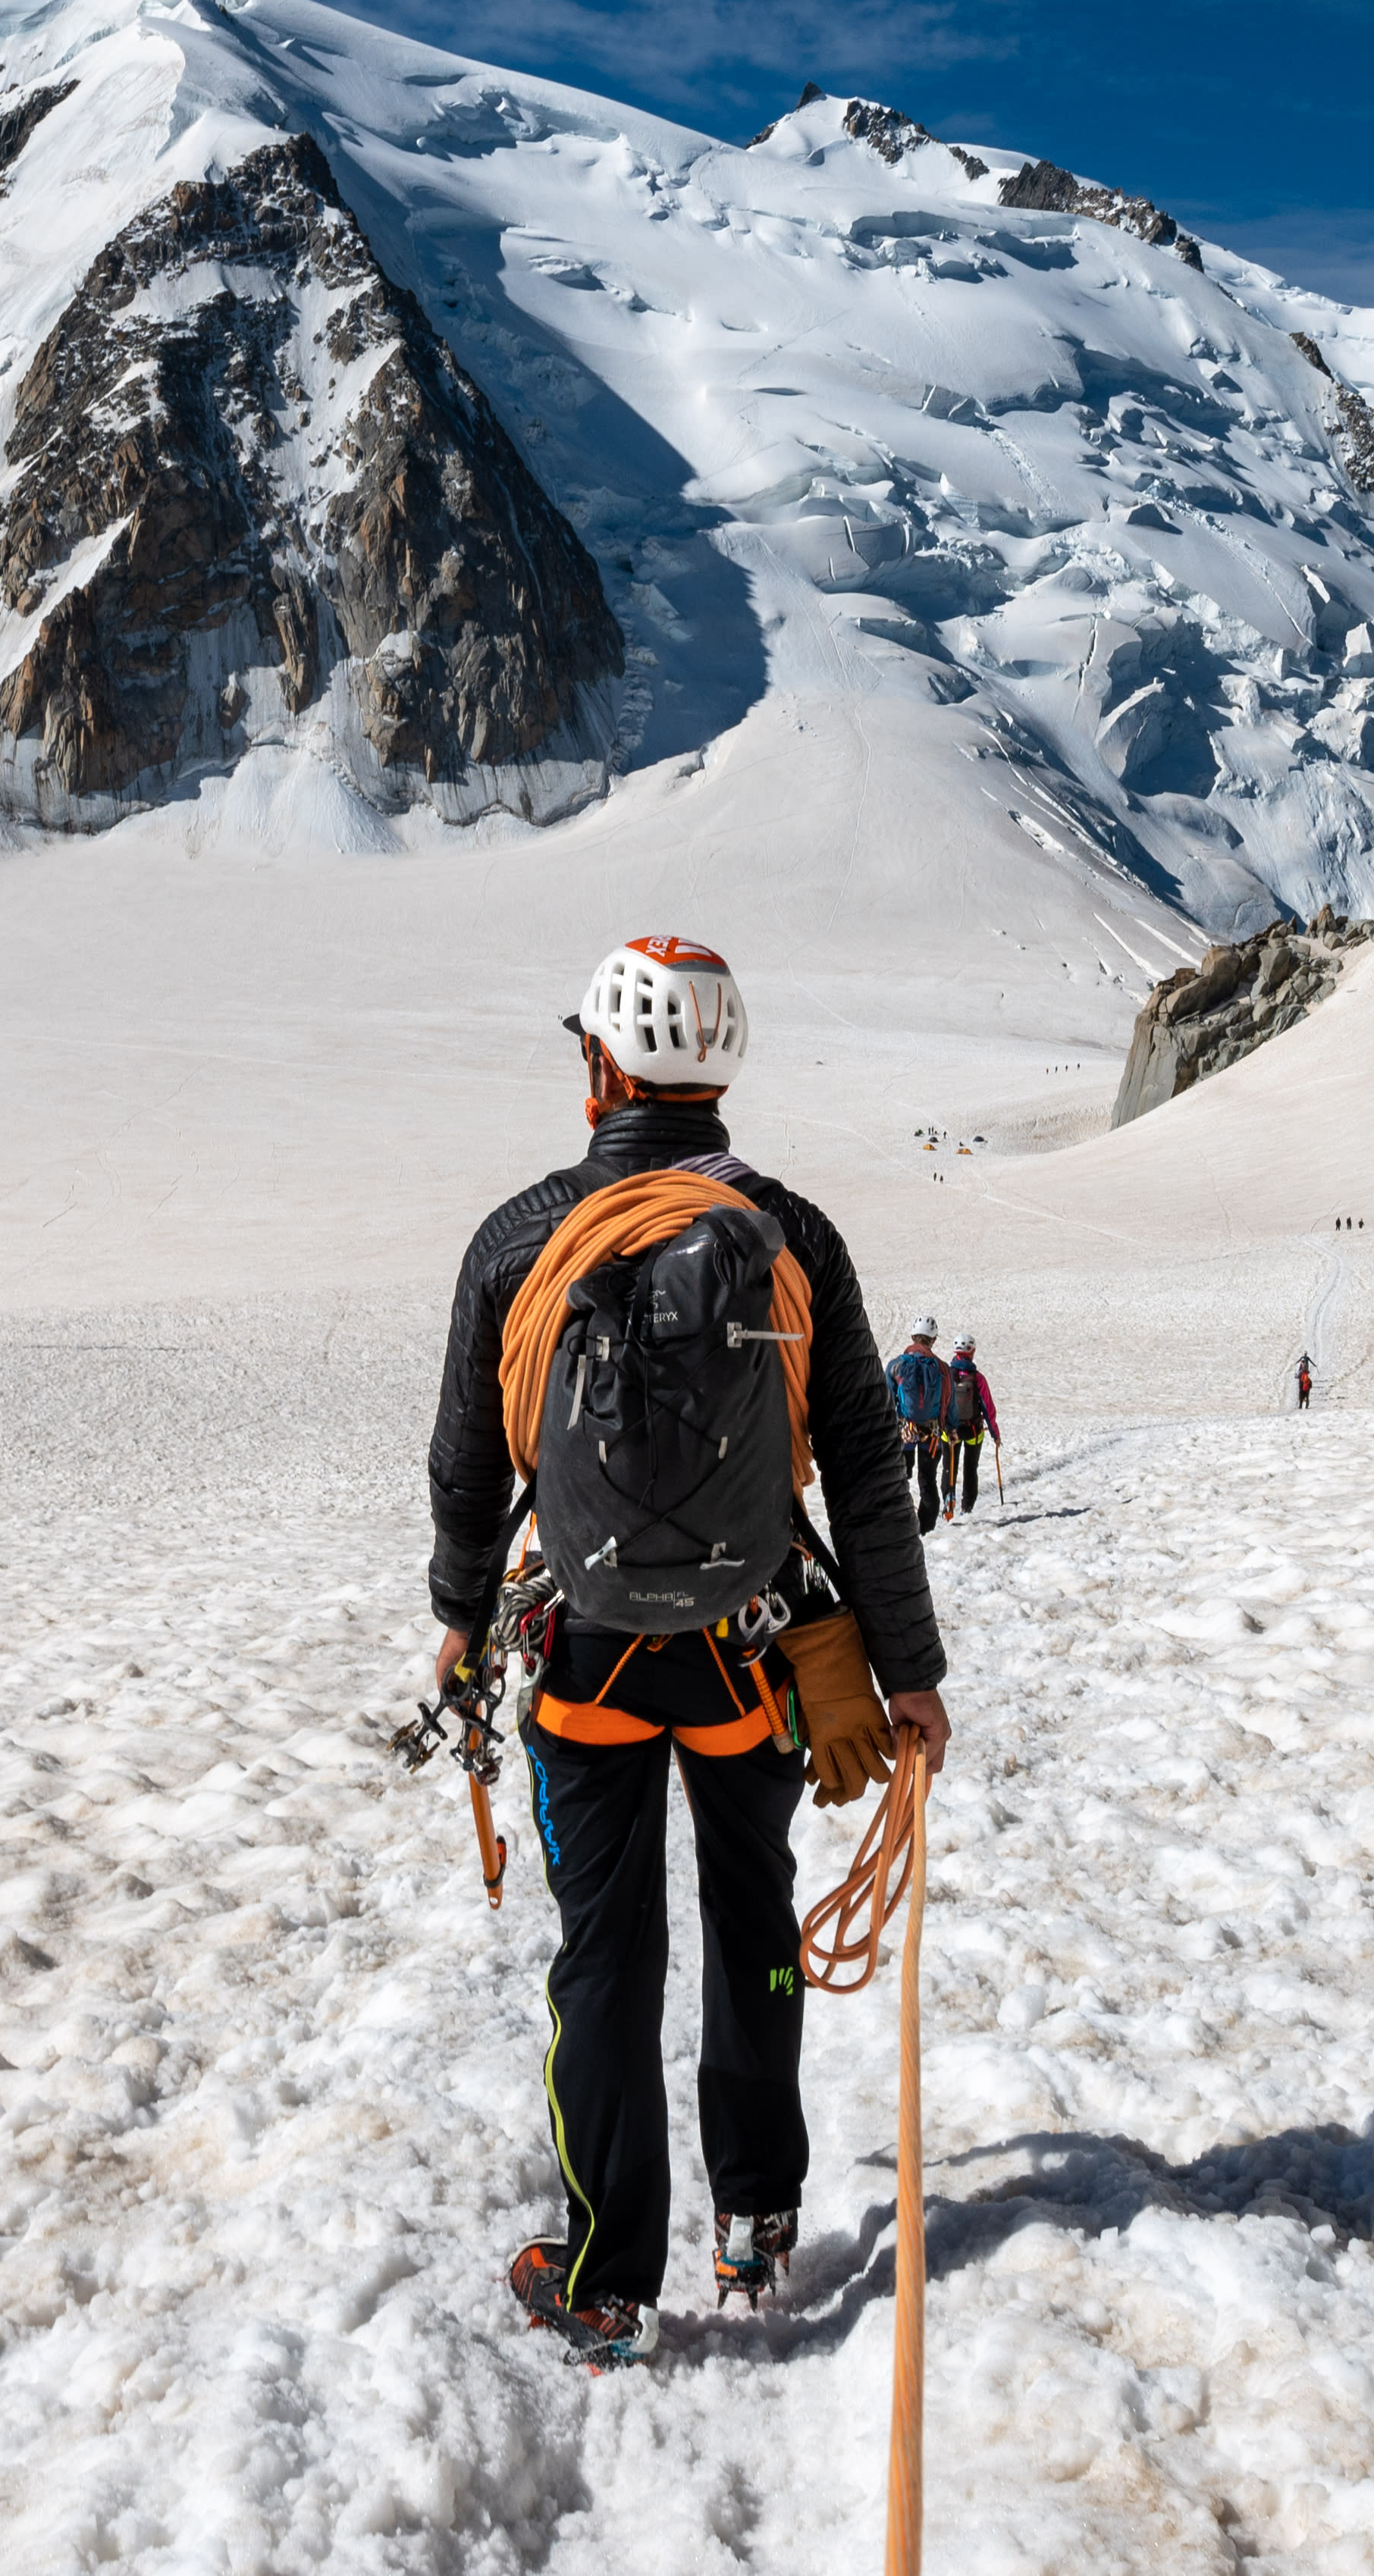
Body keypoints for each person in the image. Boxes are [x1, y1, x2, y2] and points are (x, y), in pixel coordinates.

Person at [426, 935, 949, 2371]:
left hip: (584, 1656)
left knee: (605, 1950)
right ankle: (758, 2213)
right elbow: (861, 1460)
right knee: (750, 1921)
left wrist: (460, 1616)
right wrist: (908, 1669)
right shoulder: (791, 1235)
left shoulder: (520, 1237)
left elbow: (468, 1466)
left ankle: (600, 2272)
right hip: (749, 1653)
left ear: (603, 1063)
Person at [884, 1316, 952, 1530]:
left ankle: (901, 1525)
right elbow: (949, 1404)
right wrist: (951, 1428)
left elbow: (887, 1399)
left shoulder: (897, 1366)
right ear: (933, 1340)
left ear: (912, 1337)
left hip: (905, 1432)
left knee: (900, 1480)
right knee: (928, 1480)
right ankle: (926, 1530)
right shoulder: (942, 1368)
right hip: (931, 1434)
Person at [943, 1337, 1001, 1516]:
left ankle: (948, 1500)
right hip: (974, 1431)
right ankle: (967, 1506)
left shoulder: (946, 1375)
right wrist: (995, 1434)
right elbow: (988, 1408)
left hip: (949, 1431)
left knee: (949, 1466)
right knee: (970, 1467)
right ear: (972, 1352)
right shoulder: (978, 1378)